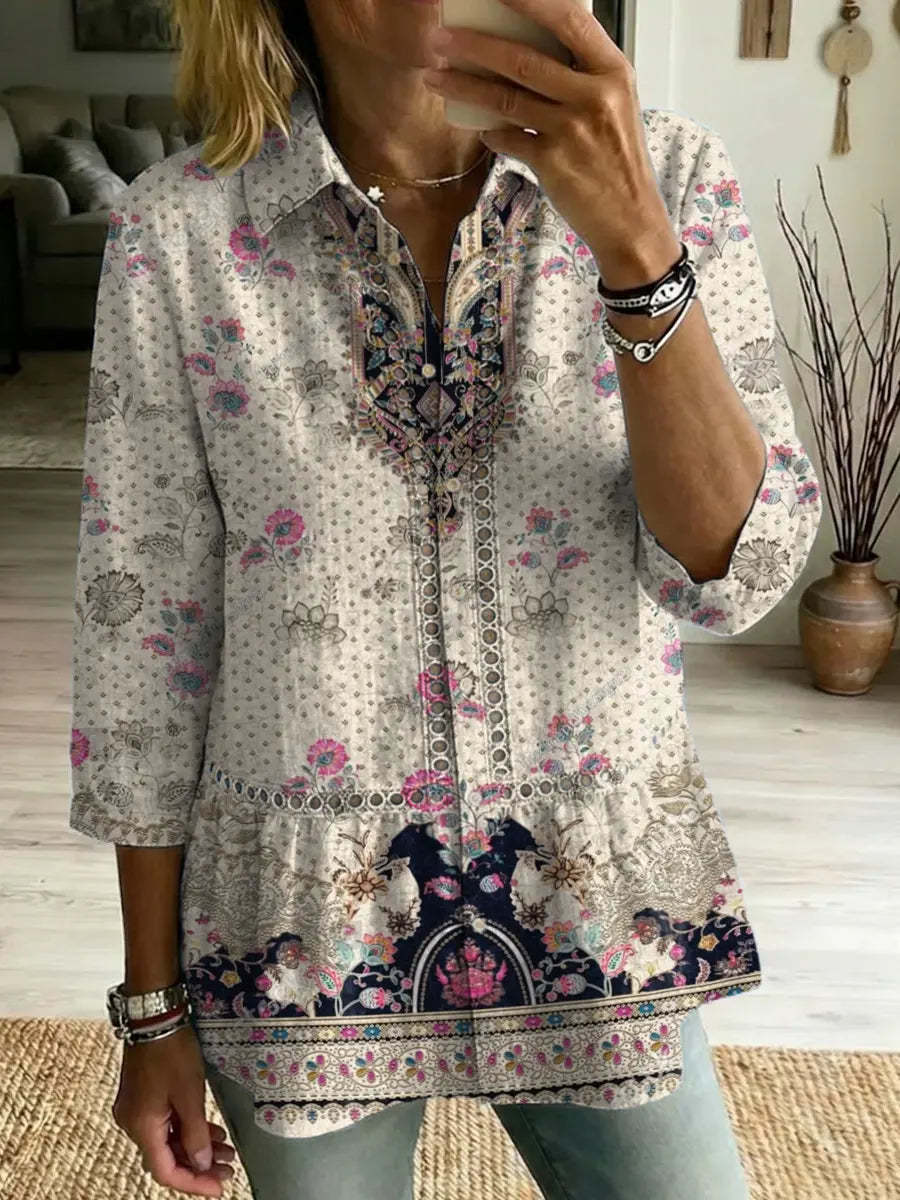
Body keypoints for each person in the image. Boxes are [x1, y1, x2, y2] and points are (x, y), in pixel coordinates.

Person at [68, 0, 823, 1197]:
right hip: (304, 934)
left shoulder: (669, 176)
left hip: (597, 907)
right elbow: (144, 648)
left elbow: (736, 568)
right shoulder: (181, 230)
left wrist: (634, 243)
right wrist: (152, 1011)